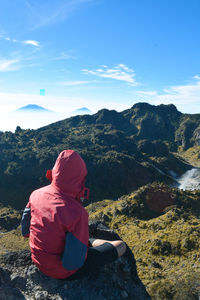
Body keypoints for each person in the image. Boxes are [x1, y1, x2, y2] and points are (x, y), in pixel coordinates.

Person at [21, 150, 126, 280]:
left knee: (83, 241)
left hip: (38, 261)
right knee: (121, 246)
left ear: (56, 170)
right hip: (62, 272)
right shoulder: (77, 212)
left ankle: (87, 243)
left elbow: (25, 231)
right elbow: (73, 263)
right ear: (80, 177)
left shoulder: (36, 194)